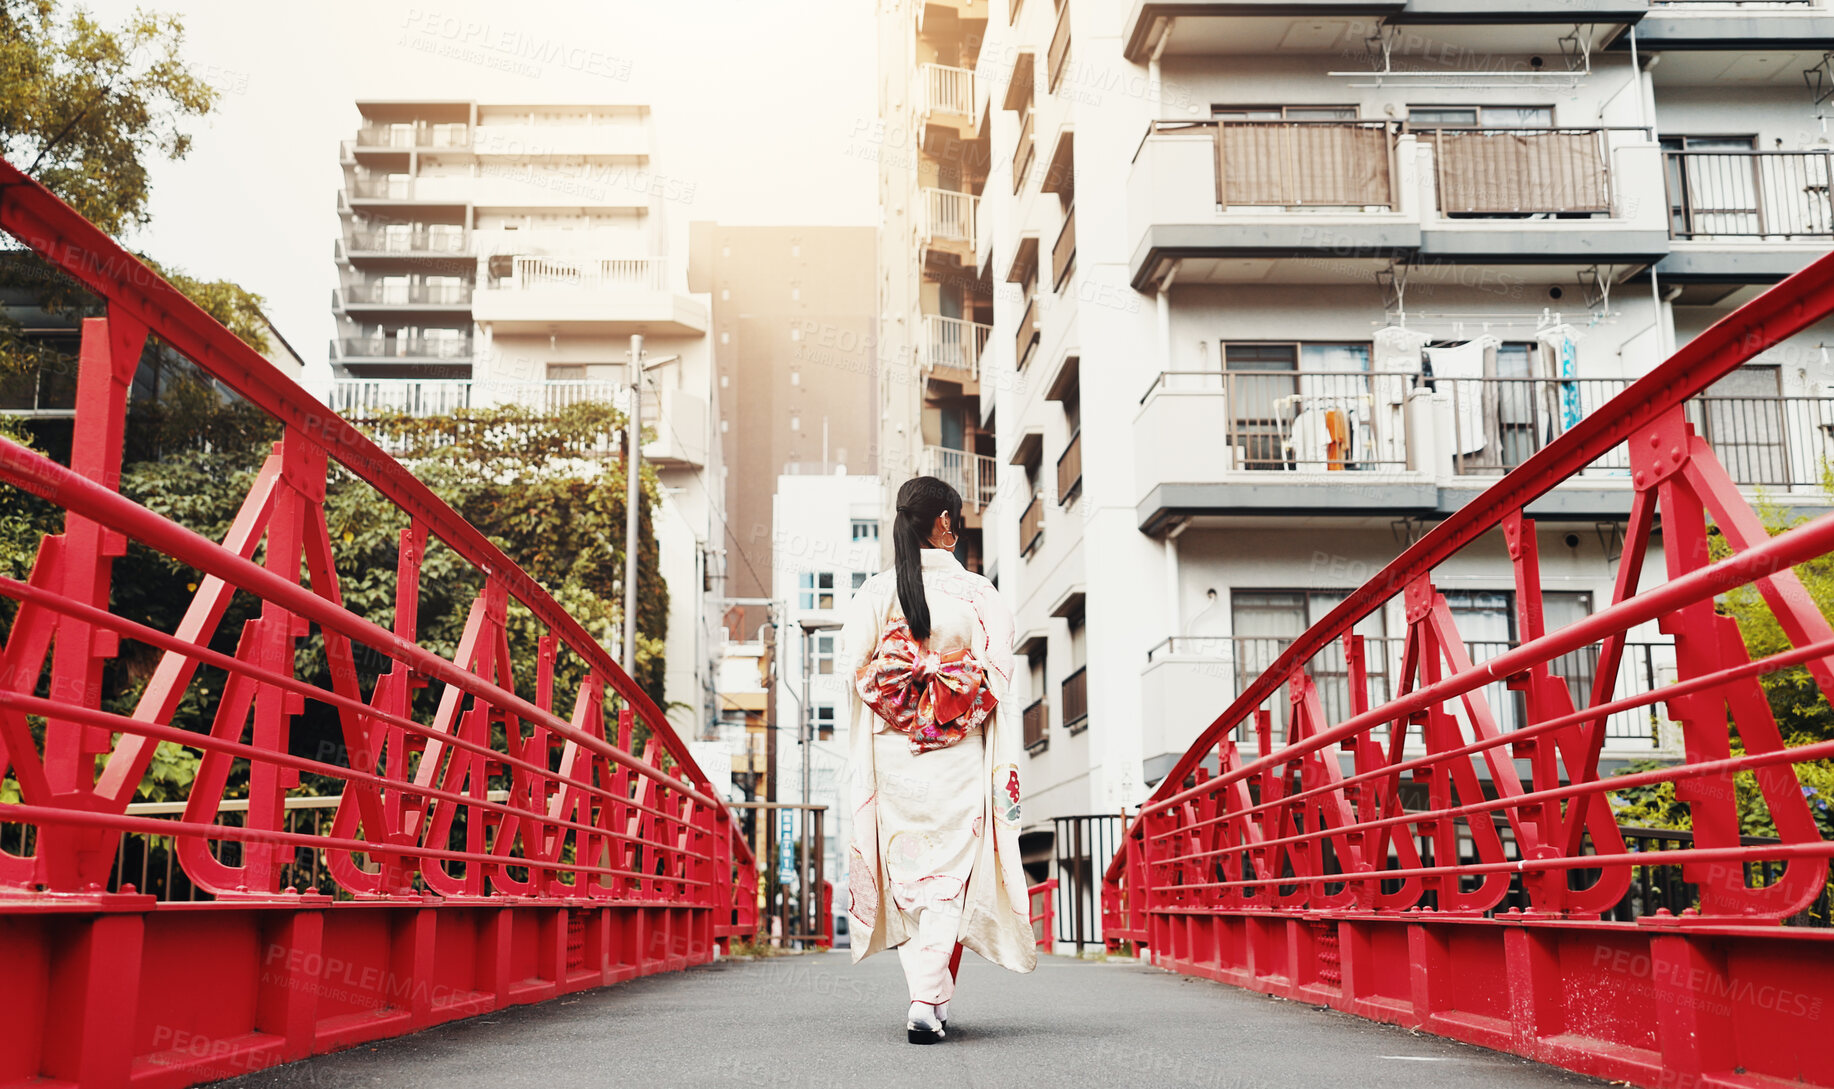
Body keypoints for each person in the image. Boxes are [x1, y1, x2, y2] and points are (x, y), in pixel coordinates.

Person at [839, 476, 1036, 1044]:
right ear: (946, 522)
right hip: (957, 749)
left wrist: (903, 698)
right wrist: (947, 697)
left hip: (892, 753)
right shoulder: (979, 593)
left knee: (907, 876)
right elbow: (997, 674)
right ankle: (925, 1002)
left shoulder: (876, 593)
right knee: (949, 875)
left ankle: (928, 999)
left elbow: (853, 672)